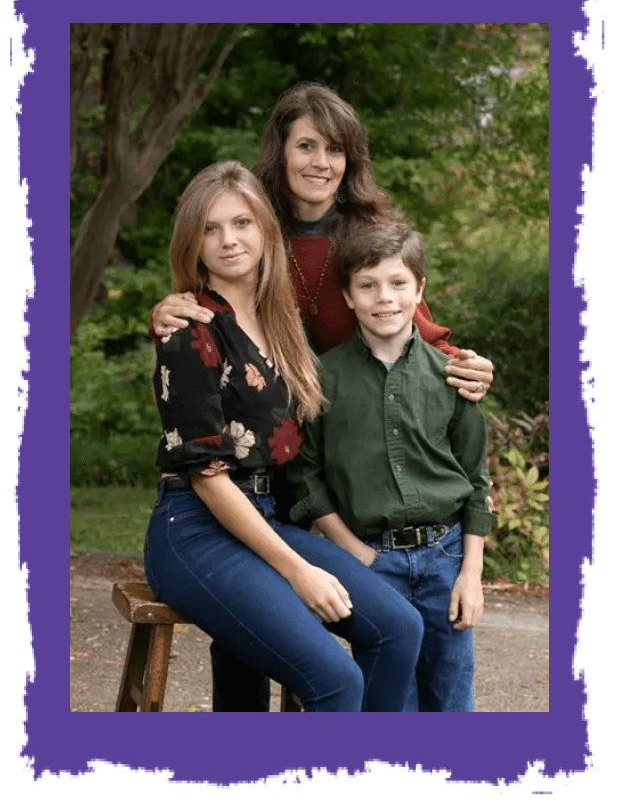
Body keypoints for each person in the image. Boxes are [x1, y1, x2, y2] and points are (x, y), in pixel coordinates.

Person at [150, 82, 495, 711]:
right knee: (252, 642)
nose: (320, 161)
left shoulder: (360, 237)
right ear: (279, 154)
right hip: (228, 479)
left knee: (394, 636)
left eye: (335, 148)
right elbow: (204, 316)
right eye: (305, 145)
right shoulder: (252, 231)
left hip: (318, 456)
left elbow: (410, 322)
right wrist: (170, 312)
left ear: (351, 159)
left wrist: (464, 364)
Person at [143, 160, 424, 712]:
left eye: (243, 223)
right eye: (210, 228)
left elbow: (395, 321)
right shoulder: (189, 330)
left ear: (267, 229)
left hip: (267, 518)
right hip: (195, 530)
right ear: (191, 242)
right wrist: (298, 571)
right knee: (335, 679)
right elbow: (207, 478)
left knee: (398, 627)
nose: (228, 240)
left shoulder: (281, 321)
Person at [284, 222, 495, 712]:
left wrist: (471, 574)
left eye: (399, 283)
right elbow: (306, 477)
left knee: (450, 701)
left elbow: (475, 481)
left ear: (419, 290)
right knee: (390, 705)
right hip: (374, 563)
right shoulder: (322, 378)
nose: (385, 298)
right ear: (348, 295)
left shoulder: (452, 377)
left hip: (446, 562)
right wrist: (354, 552)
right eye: (368, 285)